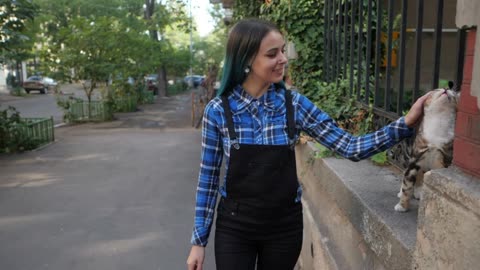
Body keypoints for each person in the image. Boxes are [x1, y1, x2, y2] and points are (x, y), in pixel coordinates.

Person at [187, 18, 430, 270]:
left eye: (283, 50)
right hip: (235, 228)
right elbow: (208, 179)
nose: (283, 59)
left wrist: (405, 124)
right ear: (247, 59)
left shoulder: (294, 105)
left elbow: (350, 147)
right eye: (273, 53)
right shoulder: (218, 111)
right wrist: (198, 241)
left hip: (284, 229)